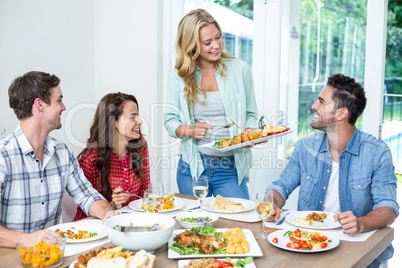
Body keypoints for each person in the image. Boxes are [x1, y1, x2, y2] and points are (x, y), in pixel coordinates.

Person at [266, 74, 399, 267]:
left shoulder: (377, 153)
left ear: (341, 114)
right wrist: (271, 202)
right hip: (308, 244)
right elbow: (280, 186)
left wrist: (361, 223)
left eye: (321, 101)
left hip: (356, 249)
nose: (313, 106)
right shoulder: (305, 147)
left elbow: (388, 208)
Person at [0, 71, 118, 248]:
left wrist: (108, 214)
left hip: (55, 254)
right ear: (39, 104)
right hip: (13, 257)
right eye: (58, 100)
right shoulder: (3, 156)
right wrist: (25, 240)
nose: (63, 107)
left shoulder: (61, 152)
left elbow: (86, 196)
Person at [164, 9, 258, 199]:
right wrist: (190, 130)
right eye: (207, 42)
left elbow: (251, 114)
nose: (216, 45)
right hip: (193, 167)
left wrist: (249, 132)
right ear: (192, 45)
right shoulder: (179, 76)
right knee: (198, 227)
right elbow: (169, 121)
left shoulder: (240, 69)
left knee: (238, 222)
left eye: (218, 37)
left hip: (230, 166)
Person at [74, 92, 150, 221]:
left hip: (133, 222)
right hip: (97, 227)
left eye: (138, 115)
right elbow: (87, 209)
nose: (140, 121)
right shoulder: (91, 158)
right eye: (133, 117)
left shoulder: (140, 145)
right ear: (113, 122)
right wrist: (112, 205)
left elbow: (145, 192)